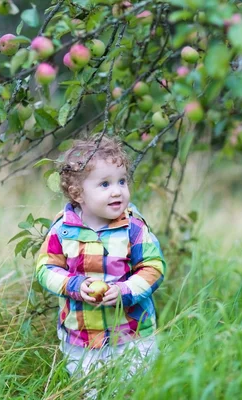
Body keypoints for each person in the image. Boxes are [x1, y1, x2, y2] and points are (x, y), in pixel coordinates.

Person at [35, 135, 166, 385]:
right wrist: (73, 285)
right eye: (104, 184)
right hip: (80, 336)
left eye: (122, 181)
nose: (117, 190)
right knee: (91, 387)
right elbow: (45, 268)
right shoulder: (62, 230)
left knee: (132, 386)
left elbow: (153, 269)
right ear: (78, 193)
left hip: (132, 334)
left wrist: (124, 290)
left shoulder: (134, 228)